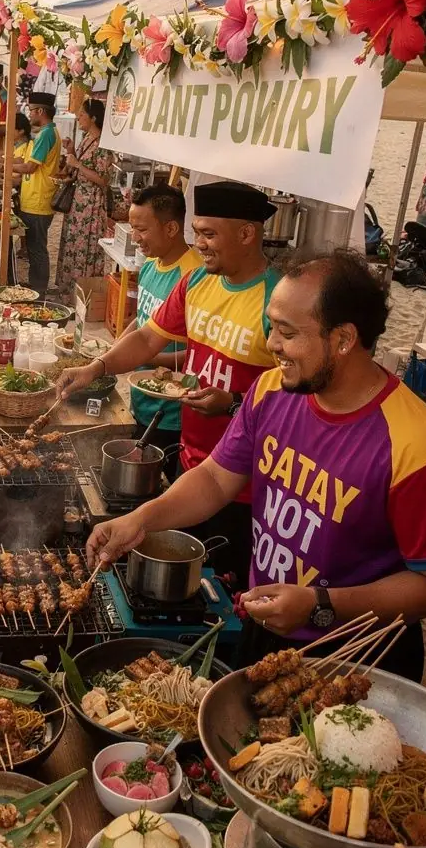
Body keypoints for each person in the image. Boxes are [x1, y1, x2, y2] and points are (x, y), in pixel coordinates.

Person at [89, 252, 426, 682]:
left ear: (344, 339)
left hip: (356, 660)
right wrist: (142, 519)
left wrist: (321, 605)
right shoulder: (271, 390)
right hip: (266, 629)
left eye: (287, 333)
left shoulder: (415, 441)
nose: (271, 344)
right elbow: (215, 478)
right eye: (272, 327)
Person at [60, 179, 281, 585]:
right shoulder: (197, 282)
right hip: (192, 462)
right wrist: (97, 367)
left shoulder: (276, 300)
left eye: (209, 234)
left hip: (245, 482)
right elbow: (146, 337)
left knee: (224, 582)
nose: (200, 244)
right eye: (197, 233)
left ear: (248, 233)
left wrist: (232, 402)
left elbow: (295, 398)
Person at [124, 182, 202, 448]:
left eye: (142, 229)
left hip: (170, 412)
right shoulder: (150, 264)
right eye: (132, 227)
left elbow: (200, 351)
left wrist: (143, 355)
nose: (134, 236)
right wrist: (117, 349)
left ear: (171, 228)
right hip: (141, 398)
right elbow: (143, 319)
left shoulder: (194, 277)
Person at [55, 98, 113, 303]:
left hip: (91, 205)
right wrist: (71, 151)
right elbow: (76, 166)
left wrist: (78, 164)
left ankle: (82, 294)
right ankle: (67, 292)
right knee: (71, 245)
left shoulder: (103, 145)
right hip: (79, 202)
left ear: (93, 117)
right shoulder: (86, 138)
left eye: (82, 114)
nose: (78, 118)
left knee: (83, 248)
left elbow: (103, 180)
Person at [16, 90, 60, 297]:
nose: (29, 114)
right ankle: (35, 286)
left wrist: (8, 167)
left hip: (39, 199)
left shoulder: (46, 134)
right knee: (34, 246)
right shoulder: (46, 132)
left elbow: (30, 168)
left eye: (31, 110)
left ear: (40, 111)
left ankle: (39, 290)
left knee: (37, 247)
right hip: (34, 197)